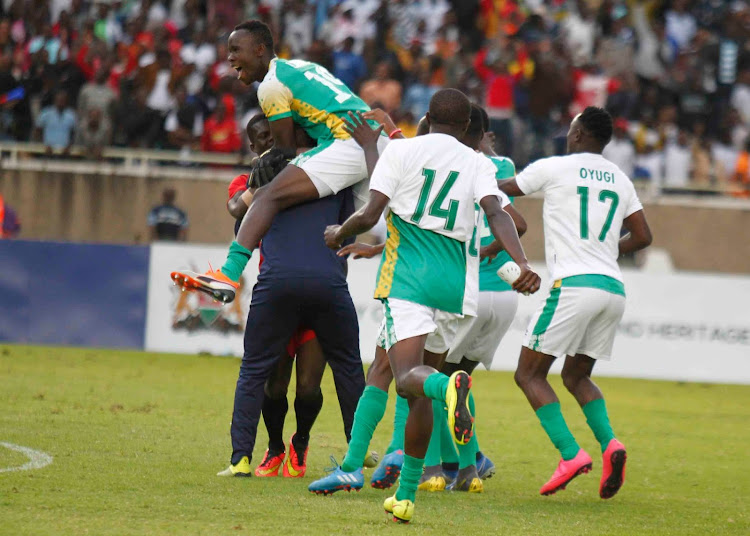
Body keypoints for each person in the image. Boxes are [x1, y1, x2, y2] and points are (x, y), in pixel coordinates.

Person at [322, 89, 540, 523]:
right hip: (456, 288)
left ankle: (445, 391)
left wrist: (339, 233)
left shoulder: (403, 151)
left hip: (409, 280)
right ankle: (405, 497)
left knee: (408, 379)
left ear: (427, 117)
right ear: (465, 128)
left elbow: (370, 214)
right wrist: (521, 262)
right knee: (415, 383)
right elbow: (498, 214)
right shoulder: (477, 162)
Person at [171, 19, 388, 305]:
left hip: (350, 142)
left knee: (267, 196)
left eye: (236, 49)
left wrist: (265, 163)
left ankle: (228, 275)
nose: (230, 58)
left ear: (260, 49)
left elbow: (284, 148)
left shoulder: (271, 86)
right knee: (372, 220)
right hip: (376, 141)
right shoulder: (302, 67)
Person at [498, 106, 653, 499]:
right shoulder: (620, 178)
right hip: (612, 288)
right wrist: (606, 251)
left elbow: (505, 187)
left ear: (581, 134)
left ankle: (570, 454)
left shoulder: (554, 167)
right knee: (576, 377)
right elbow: (644, 236)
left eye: (571, 129)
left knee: (528, 374)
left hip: (573, 286)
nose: (568, 134)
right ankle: (611, 444)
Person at [221, 114, 371, 478]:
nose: (266, 143)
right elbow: (348, 231)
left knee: (287, 380)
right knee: (343, 369)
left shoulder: (274, 179)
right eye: (259, 138)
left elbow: (242, 219)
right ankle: (349, 451)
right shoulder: (331, 177)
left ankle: (263, 452)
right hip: (321, 286)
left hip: (281, 285)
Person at [419, 105, 527, 493]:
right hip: (505, 296)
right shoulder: (499, 167)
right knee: (459, 380)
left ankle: (432, 469)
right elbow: (520, 223)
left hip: (466, 292)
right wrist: (501, 251)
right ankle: (468, 469)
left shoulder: (456, 166)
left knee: (430, 379)